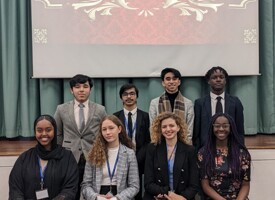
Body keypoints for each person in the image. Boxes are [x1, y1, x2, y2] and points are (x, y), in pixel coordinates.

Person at [54, 74, 107, 200]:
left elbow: (104, 133)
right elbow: (58, 133)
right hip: (68, 157)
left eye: (85, 86)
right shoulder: (61, 109)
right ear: (71, 90)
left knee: (92, 192)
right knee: (71, 192)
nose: (81, 90)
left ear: (90, 89)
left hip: (93, 157)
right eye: (77, 87)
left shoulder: (100, 109)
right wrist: (61, 153)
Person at [9, 114, 79, 200]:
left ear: (55, 131)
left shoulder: (67, 157)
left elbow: (70, 189)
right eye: (39, 130)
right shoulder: (24, 158)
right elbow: (15, 189)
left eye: (48, 130)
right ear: (35, 132)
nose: (44, 134)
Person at [81, 115, 140, 200]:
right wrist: (97, 197)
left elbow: (134, 186)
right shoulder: (94, 153)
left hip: (120, 196)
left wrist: (117, 198)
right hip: (98, 195)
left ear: (119, 129)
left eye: (111, 128)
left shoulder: (129, 154)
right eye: (104, 129)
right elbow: (86, 185)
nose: (107, 132)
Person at [143, 112, 199, 200]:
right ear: (160, 130)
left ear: (178, 127)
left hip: (182, 197)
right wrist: (166, 193)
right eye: (164, 127)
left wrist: (180, 198)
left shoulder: (190, 150)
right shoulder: (152, 149)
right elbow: (148, 183)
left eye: (171, 125)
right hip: (158, 196)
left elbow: (194, 184)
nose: (168, 129)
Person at [197, 113, 251, 200]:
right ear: (212, 128)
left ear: (231, 128)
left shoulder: (242, 153)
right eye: (217, 126)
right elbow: (205, 185)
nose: (221, 129)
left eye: (225, 126)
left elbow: (245, 185)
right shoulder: (203, 153)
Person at [193, 66, 244, 152]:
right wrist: (197, 151)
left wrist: (240, 150)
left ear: (225, 81)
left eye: (221, 77)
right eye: (214, 77)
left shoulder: (235, 102)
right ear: (209, 81)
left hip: (230, 149)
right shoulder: (200, 103)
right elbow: (196, 132)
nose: (218, 80)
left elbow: (240, 130)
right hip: (206, 149)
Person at [113, 83, 150, 199]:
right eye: (125, 94)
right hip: (120, 158)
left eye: (132, 94)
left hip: (140, 159)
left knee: (137, 190)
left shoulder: (146, 116)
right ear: (121, 97)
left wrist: (137, 157)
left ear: (137, 96)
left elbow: (149, 140)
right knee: (120, 190)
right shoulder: (115, 117)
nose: (129, 97)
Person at [149, 68, 194, 144]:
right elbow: (153, 127)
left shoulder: (188, 103)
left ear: (179, 82)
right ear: (163, 82)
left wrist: (186, 146)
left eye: (174, 79)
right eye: (168, 79)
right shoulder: (155, 103)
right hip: (160, 144)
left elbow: (189, 129)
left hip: (182, 145)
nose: (171, 82)